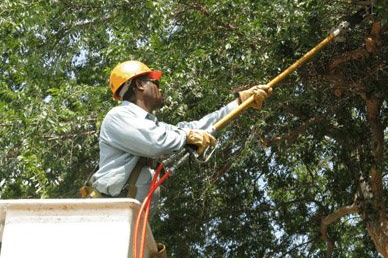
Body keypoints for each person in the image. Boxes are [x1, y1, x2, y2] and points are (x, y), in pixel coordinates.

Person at [84, 60, 272, 214]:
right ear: (139, 84)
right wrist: (187, 136)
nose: (160, 89)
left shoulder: (154, 126)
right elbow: (156, 142)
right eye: (155, 82)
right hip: (106, 215)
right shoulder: (118, 117)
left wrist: (240, 103)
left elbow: (198, 128)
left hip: (127, 217)